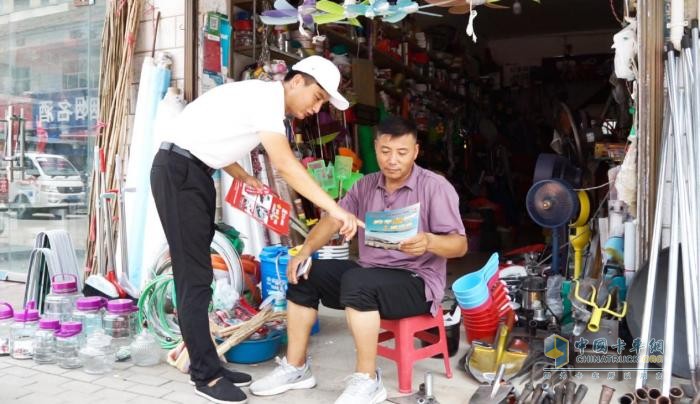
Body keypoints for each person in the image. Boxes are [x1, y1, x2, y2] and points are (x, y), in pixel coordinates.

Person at [150, 56, 363, 404]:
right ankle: (205, 375)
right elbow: (285, 164)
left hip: (195, 172)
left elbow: (209, 135)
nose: (316, 107)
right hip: (179, 173)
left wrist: (243, 177)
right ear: (297, 81)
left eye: (324, 102)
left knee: (198, 275)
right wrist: (334, 207)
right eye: (318, 97)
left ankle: (208, 361)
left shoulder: (260, 99)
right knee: (194, 277)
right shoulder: (267, 99)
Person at [249, 117, 468, 403]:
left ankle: (368, 380)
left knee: (358, 282)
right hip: (369, 272)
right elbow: (331, 221)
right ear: (375, 148)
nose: (392, 160)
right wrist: (304, 251)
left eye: (402, 153)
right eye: (385, 151)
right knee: (304, 273)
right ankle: (296, 367)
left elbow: (460, 245)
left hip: (417, 282)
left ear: (415, 151)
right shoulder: (365, 186)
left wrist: (429, 241)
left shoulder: (435, 187)